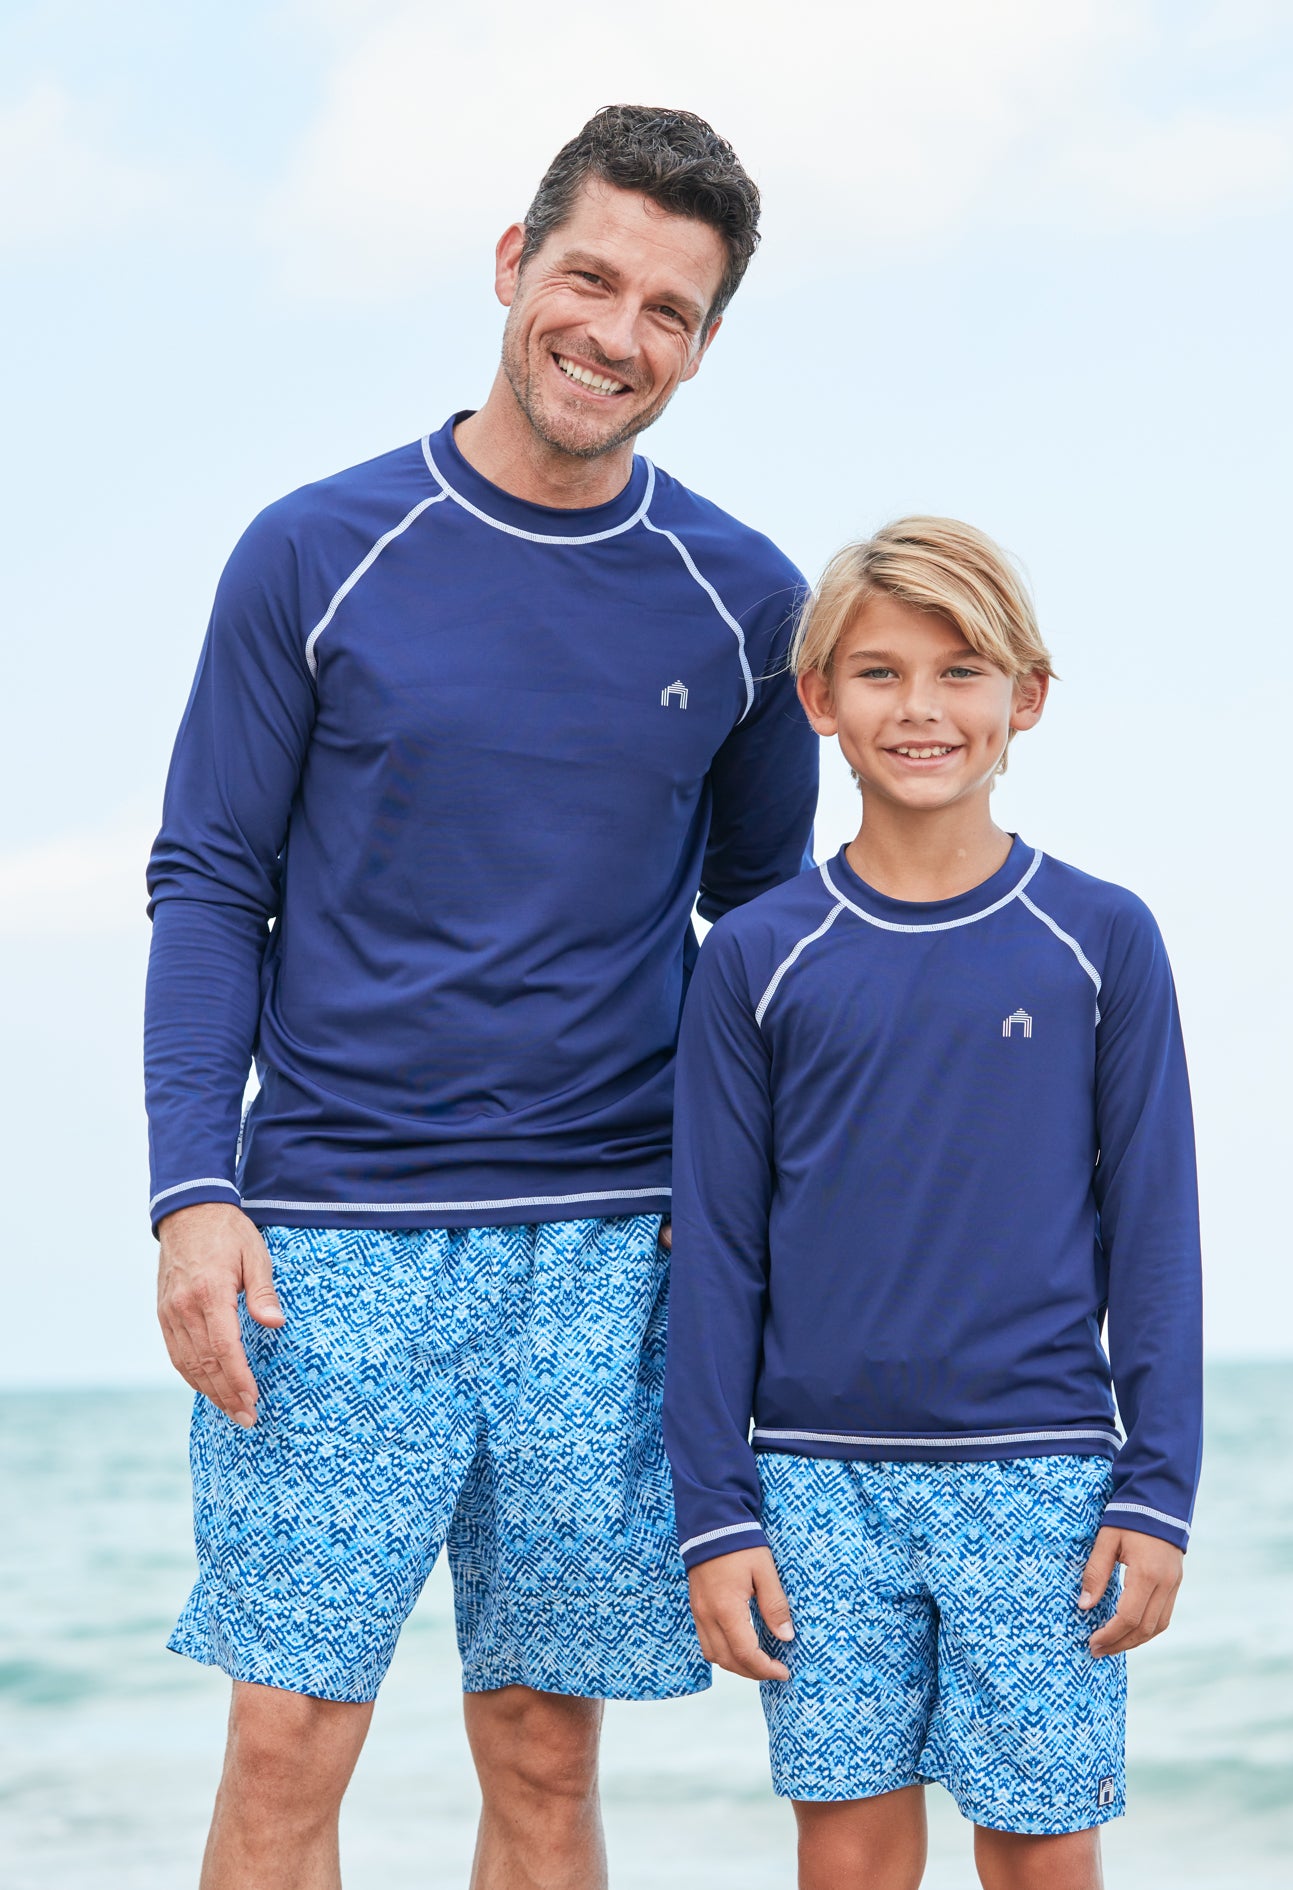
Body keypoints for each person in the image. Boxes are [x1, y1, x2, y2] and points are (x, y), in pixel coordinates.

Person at [145, 105, 818, 1890]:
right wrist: (192, 1188)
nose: (617, 333)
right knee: (288, 1732)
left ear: (703, 344)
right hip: (330, 1236)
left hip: (606, 1249)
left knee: (540, 1743)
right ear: (514, 264)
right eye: (590, 277)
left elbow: (760, 937)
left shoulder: (743, 602)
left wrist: (741, 1210)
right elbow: (210, 877)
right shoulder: (314, 552)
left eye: (669, 309)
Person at [663, 517, 1202, 1889]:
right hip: (813, 1481)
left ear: (1026, 698)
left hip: (1041, 1475)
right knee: (846, 1856)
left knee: (1040, 1851)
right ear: (819, 700)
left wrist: (1156, 1491)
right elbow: (716, 1251)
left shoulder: (1100, 938)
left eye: (961, 671)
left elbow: (1153, 1234)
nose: (921, 708)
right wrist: (716, 1511)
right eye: (880, 672)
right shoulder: (758, 957)